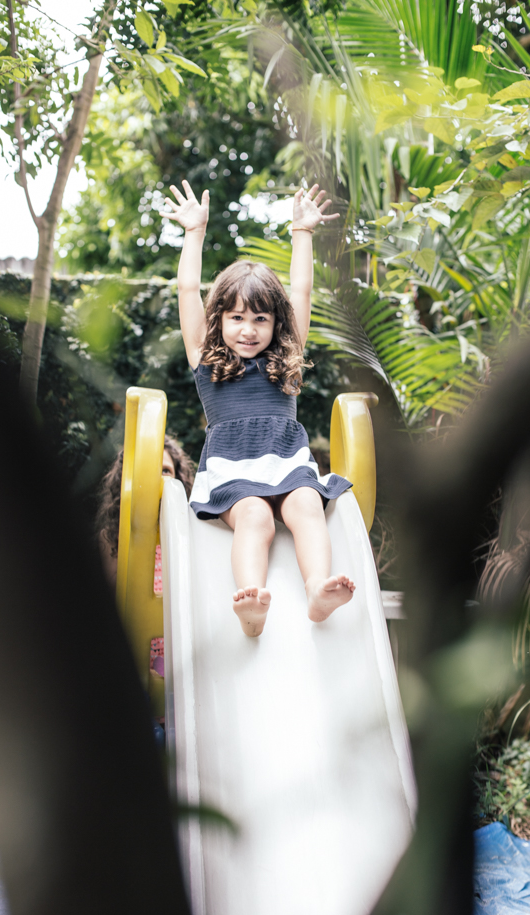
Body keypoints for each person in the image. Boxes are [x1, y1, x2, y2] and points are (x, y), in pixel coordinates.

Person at [164, 179, 355, 638]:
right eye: (236, 318)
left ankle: (315, 590)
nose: (247, 330)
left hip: (286, 464)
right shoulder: (205, 361)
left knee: (307, 503)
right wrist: (194, 233)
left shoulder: (284, 358)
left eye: (260, 319)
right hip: (233, 472)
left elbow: (302, 293)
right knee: (254, 516)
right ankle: (251, 602)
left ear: (276, 324)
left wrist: (302, 233)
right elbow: (188, 291)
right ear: (219, 320)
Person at [95, 435, 195, 586]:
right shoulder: (111, 538)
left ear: (178, 480)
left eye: (165, 471)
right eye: (148, 470)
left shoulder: (193, 533)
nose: (158, 479)